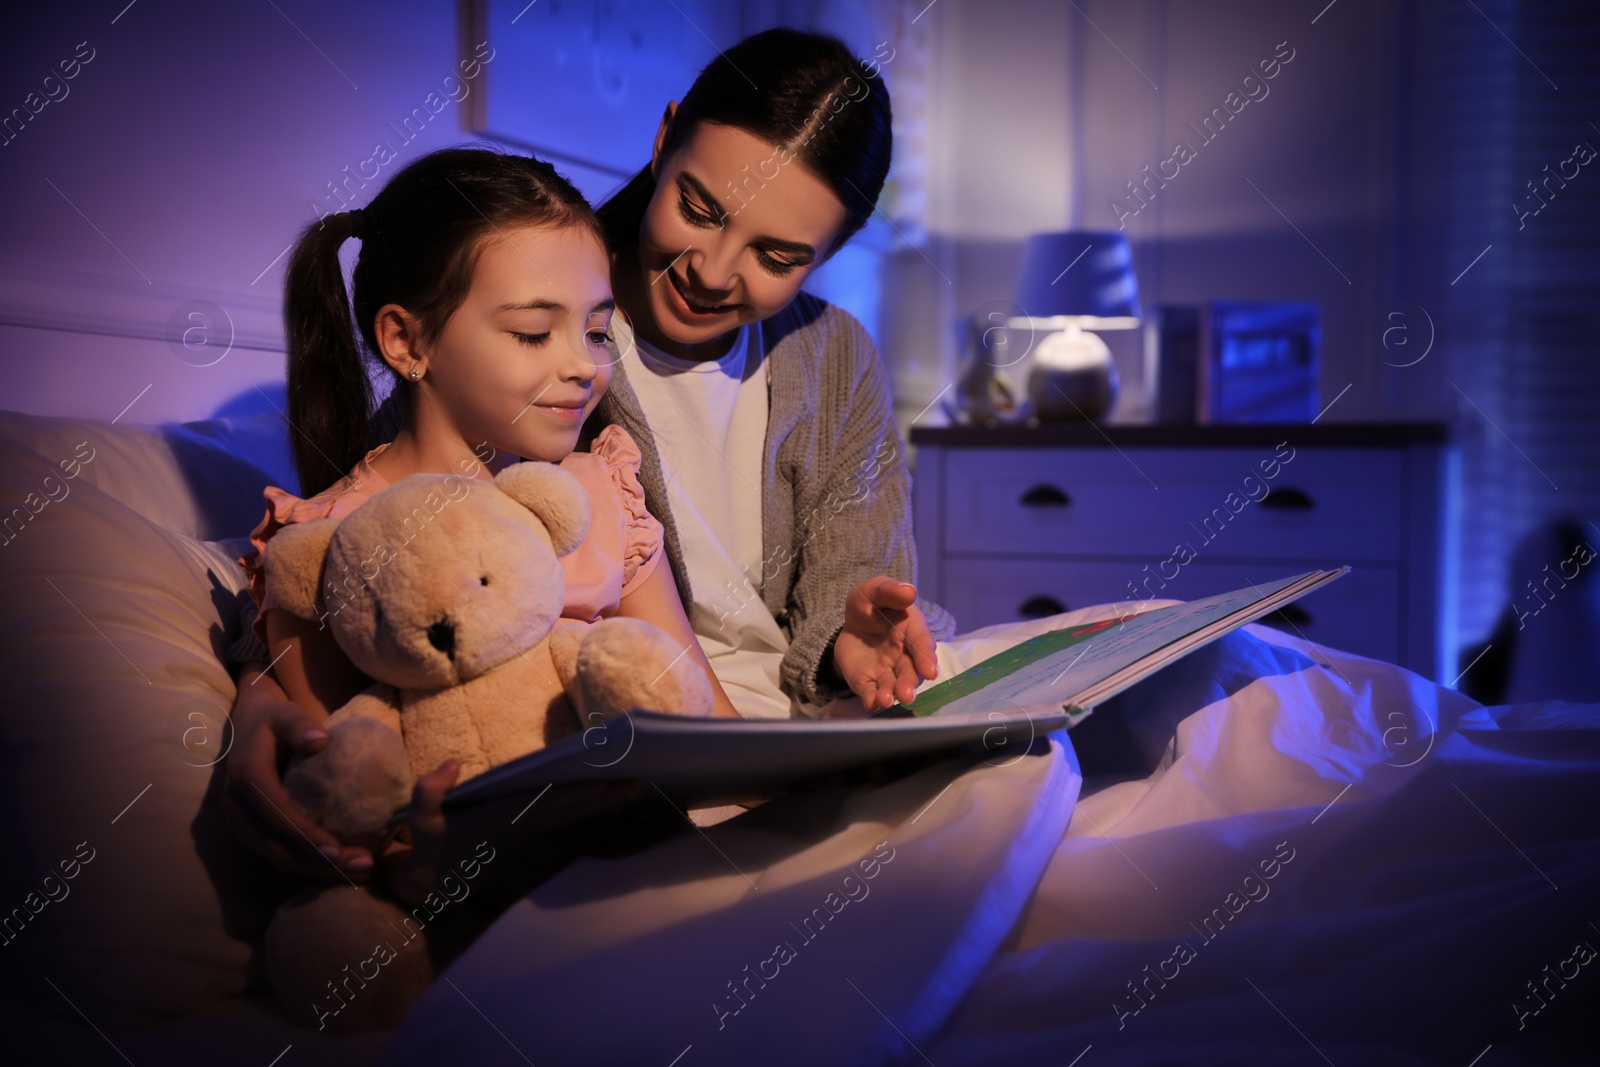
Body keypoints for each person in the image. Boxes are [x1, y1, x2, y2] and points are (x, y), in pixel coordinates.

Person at [226, 27, 952, 882]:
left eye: (777, 255)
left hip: (772, 730)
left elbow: (846, 589)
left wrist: (847, 646)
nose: (713, 270)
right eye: (700, 206)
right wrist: (257, 694)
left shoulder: (832, 358)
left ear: (825, 258)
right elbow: (399, 532)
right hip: (639, 765)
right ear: (664, 135)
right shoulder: (532, 291)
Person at [226, 147, 741, 895]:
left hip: (635, 867)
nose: (582, 366)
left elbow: (711, 726)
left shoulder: (602, 494)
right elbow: (343, 800)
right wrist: (430, 865)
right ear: (407, 341)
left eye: (596, 332)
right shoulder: (330, 541)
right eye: (534, 333)